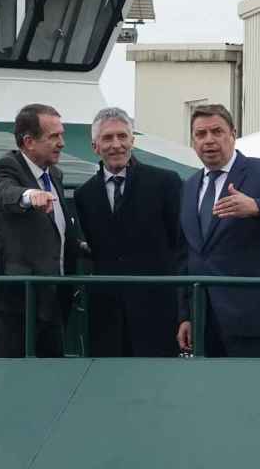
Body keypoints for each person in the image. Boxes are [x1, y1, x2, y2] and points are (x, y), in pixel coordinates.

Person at [176, 104, 260, 358]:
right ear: (192, 142)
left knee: (257, 395)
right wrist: (186, 316)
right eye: (201, 134)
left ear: (233, 133)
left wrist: (256, 206)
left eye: (217, 131)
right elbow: (188, 256)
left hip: (254, 320)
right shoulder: (189, 186)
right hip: (204, 321)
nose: (209, 140)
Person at [74, 107, 182, 357]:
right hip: (107, 316)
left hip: (157, 312)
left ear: (132, 141)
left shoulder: (166, 183)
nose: (116, 145)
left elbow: (180, 245)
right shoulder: (84, 195)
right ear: (95, 146)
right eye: (108, 138)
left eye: (122, 136)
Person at [0, 104, 78, 357]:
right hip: (15, 302)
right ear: (29, 142)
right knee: (14, 379)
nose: (62, 143)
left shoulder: (55, 174)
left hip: (51, 298)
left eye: (61, 134)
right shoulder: (7, 166)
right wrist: (28, 195)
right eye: (54, 136)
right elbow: (4, 193)